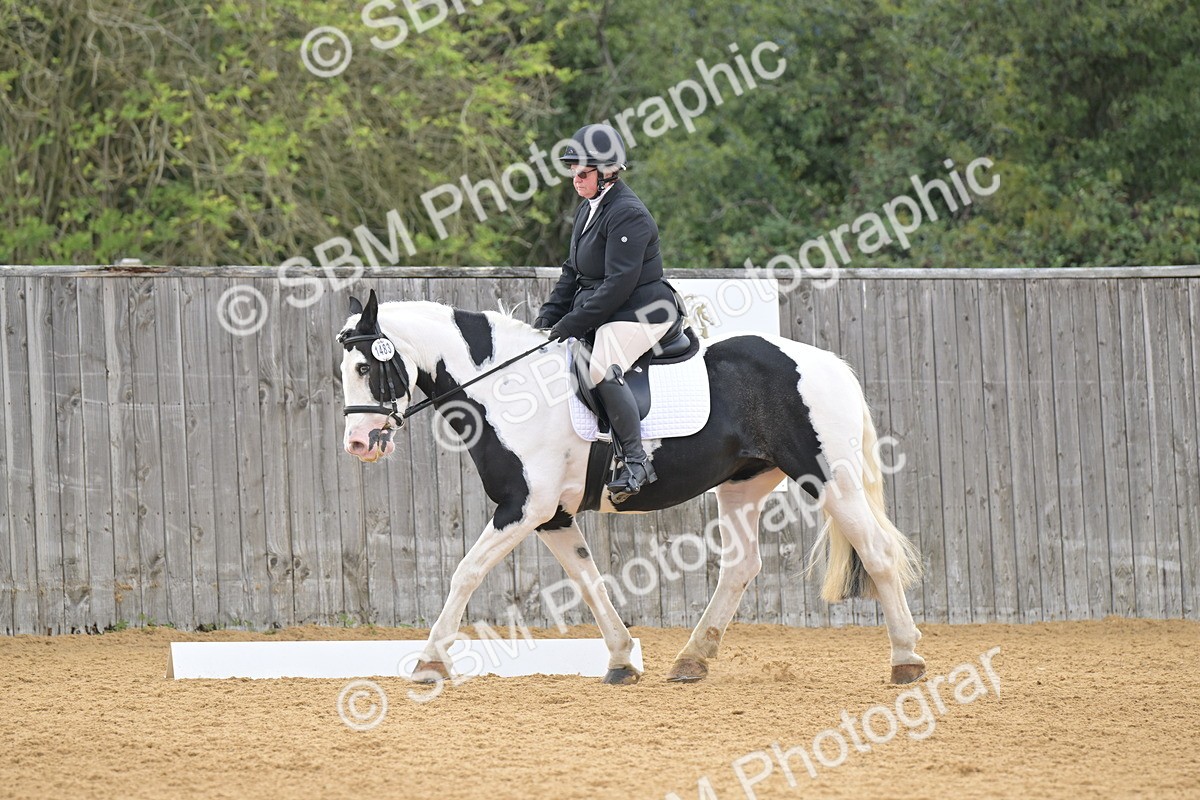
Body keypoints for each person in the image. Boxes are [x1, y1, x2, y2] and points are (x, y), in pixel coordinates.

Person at [533, 123, 679, 502]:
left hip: (644, 311)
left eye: (583, 173)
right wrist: (546, 320)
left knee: (600, 368)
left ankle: (635, 460)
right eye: (572, 172)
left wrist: (571, 323)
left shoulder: (628, 213)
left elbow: (618, 285)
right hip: (612, 309)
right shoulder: (588, 209)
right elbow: (572, 272)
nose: (576, 180)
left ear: (608, 171)